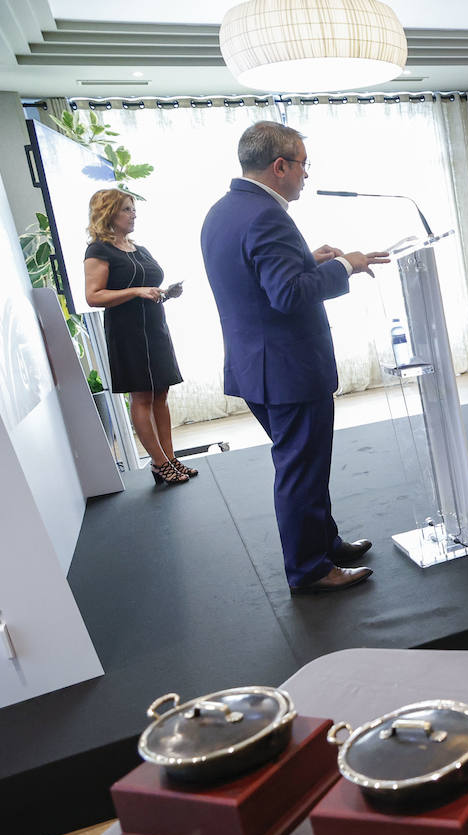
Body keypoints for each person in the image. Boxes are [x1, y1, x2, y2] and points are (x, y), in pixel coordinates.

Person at [200, 120, 388, 594]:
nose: (307, 174)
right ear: (280, 166)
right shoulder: (267, 215)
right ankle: (310, 569)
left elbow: (255, 279)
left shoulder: (223, 211)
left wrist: (306, 258)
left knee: (304, 463)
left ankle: (325, 543)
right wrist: (348, 264)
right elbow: (287, 296)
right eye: (303, 163)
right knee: (300, 469)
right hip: (287, 370)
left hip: (256, 366)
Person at [83, 190, 190, 485]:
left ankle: (170, 459)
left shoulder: (139, 249)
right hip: (127, 332)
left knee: (161, 393)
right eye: (127, 210)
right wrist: (136, 291)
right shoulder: (99, 250)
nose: (134, 214)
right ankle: (158, 463)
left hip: (155, 328)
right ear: (109, 213)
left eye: (133, 209)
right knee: (142, 395)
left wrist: (165, 294)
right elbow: (93, 296)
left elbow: (147, 288)